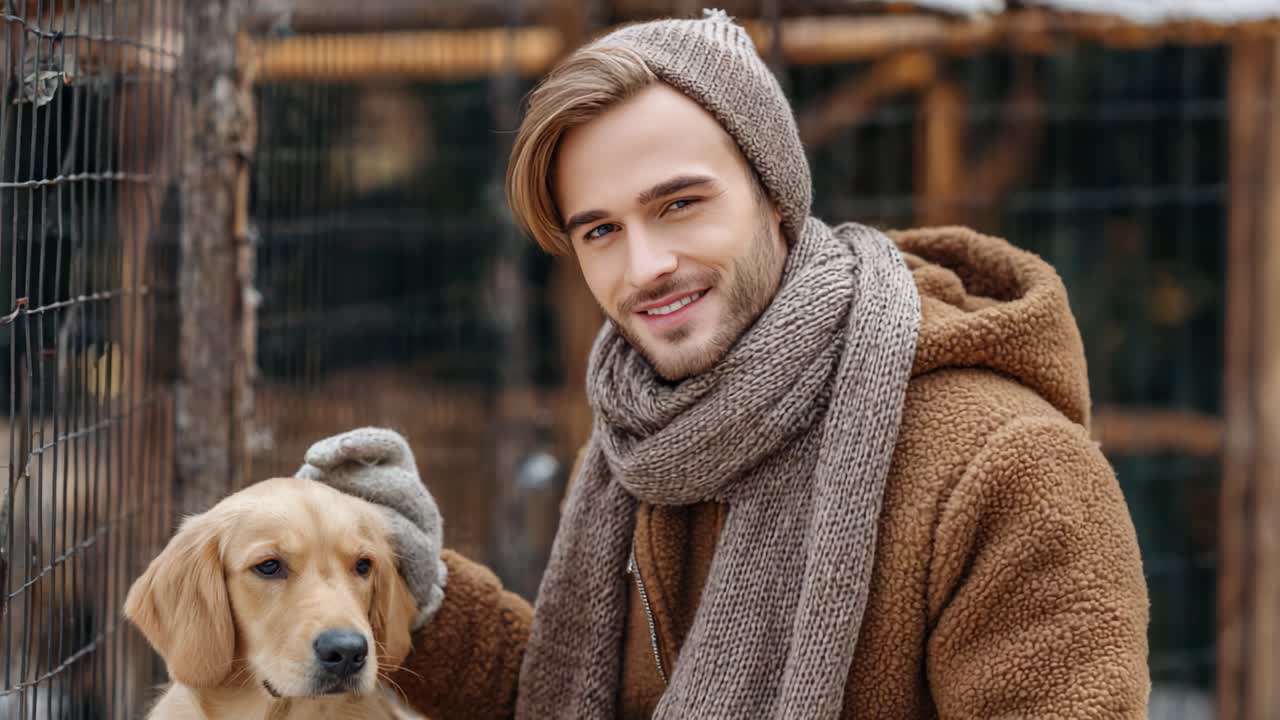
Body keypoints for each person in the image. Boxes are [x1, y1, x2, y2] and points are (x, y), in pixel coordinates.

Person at [297, 9, 1150, 719]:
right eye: (602, 230)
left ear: (776, 195)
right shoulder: (646, 440)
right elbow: (575, 697)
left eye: (679, 204)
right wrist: (424, 596)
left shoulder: (1008, 468)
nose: (644, 267)